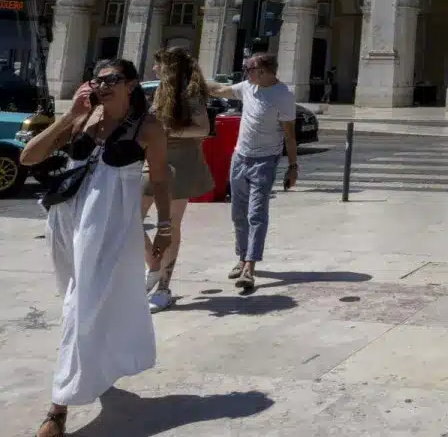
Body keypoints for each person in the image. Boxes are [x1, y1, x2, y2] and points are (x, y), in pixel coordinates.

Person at [19, 59, 170, 437]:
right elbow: (29, 157)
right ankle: (95, 369)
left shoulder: (148, 127)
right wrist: (70, 114)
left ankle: (58, 406)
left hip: (109, 225)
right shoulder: (82, 117)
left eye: (113, 79)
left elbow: (162, 178)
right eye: (98, 79)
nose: (103, 86)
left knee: (79, 305)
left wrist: (164, 225)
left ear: (132, 84)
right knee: (75, 296)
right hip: (67, 218)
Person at [207, 51, 297, 294]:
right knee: (238, 212)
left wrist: (292, 167)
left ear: (264, 71)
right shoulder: (248, 86)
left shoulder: (283, 95)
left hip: (265, 161)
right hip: (240, 157)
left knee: (256, 213)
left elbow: (289, 133)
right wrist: (190, 77)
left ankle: (250, 267)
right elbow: (218, 90)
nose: (245, 72)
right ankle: (242, 256)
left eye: (249, 69)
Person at [141, 46, 215, 313]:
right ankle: (154, 267)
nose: (154, 69)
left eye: (158, 64)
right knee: (129, 218)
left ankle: (163, 288)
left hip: (182, 163)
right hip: (156, 161)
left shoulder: (191, 92)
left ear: (170, 67)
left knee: (170, 224)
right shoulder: (162, 90)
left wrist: (166, 129)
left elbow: (203, 129)